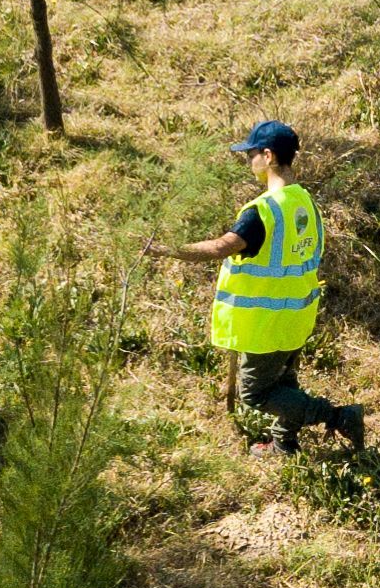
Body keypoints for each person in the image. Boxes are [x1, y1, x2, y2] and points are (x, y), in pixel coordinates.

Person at [148, 121, 364, 452]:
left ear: (268, 155)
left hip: (266, 323)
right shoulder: (304, 201)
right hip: (298, 314)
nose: (248, 161)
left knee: (256, 393)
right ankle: (283, 444)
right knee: (285, 382)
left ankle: (338, 416)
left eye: (251, 154)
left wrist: (166, 248)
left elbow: (221, 248)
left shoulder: (263, 211)